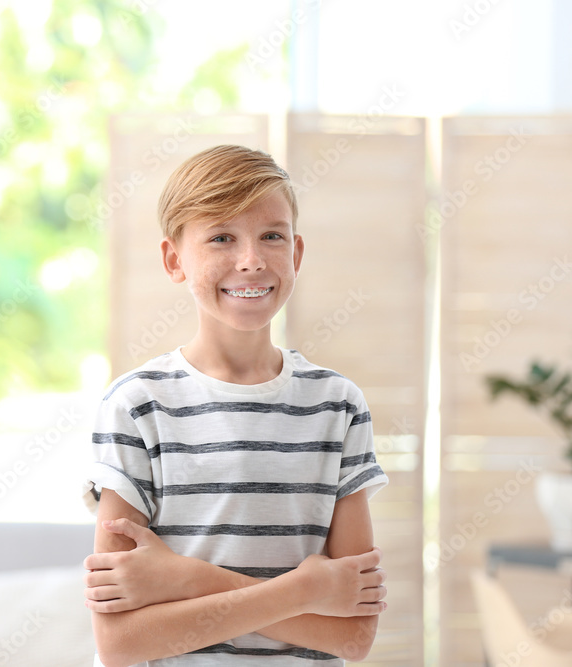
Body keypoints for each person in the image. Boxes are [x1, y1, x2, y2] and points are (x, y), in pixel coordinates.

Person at [81, 145, 389, 667]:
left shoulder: (338, 405)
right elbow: (120, 643)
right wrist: (308, 589)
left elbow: (354, 638)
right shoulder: (137, 405)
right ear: (174, 260)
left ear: (295, 253)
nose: (251, 260)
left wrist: (186, 578)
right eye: (221, 237)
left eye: (272, 235)